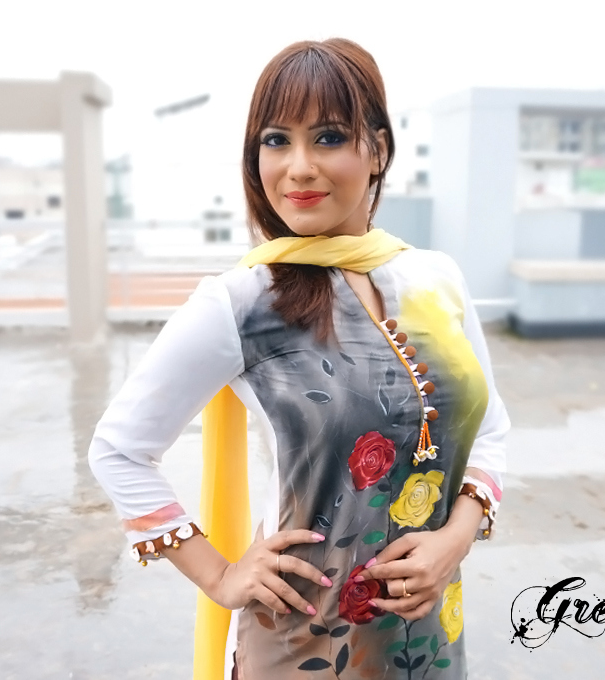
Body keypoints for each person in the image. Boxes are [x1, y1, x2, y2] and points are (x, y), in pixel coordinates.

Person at [88, 37, 510, 680]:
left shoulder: (436, 280)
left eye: (329, 137)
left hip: (429, 637)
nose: (299, 167)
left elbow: (491, 427)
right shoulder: (243, 300)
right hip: (303, 644)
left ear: (378, 150)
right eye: (277, 140)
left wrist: (454, 541)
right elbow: (119, 449)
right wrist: (221, 576)